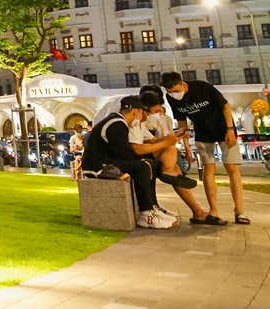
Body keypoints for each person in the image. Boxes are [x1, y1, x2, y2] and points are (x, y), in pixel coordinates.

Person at [162, 72, 249, 225]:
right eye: (170, 92)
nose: (174, 95)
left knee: (232, 168)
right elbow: (182, 122)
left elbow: (226, 106)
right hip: (203, 133)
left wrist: (230, 129)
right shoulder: (171, 98)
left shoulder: (202, 87)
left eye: (176, 91)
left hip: (224, 129)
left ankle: (239, 211)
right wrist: (186, 147)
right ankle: (214, 210)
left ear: (182, 83)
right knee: (208, 168)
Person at [80, 96, 175, 229]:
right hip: (97, 166)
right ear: (136, 112)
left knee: (151, 165)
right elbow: (123, 153)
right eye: (143, 113)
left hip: (107, 161)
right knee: (142, 167)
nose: (143, 118)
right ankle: (146, 214)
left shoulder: (118, 121)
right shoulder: (116, 124)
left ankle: (153, 206)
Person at [138, 88, 218, 225]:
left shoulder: (164, 120)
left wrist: (175, 137)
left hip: (157, 153)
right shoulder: (136, 121)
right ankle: (197, 211)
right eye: (156, 111)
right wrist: (169, 140)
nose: (159, 114)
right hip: (141, 154)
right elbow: (138, 145)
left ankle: (197, 211)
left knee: (172, 158)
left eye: (160, 110)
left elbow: (157, 140)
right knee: (171, 155)